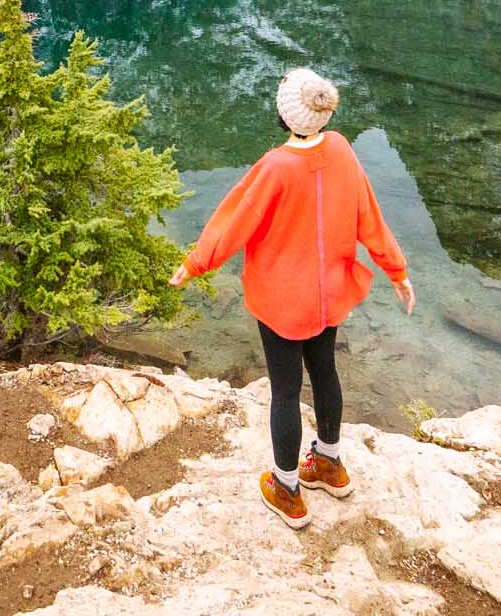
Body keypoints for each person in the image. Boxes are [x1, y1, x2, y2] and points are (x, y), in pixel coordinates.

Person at [168, 68, 412, 528]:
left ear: (285, 116)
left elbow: (236, 220)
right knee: (325, 372)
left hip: (284, 301)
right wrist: (396, 270)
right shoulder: (340, 148)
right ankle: (329, 464)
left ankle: (286, 488)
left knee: (284, 389)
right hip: (329, 293)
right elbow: (369, 216)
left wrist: (195, 263)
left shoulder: (277, 166)